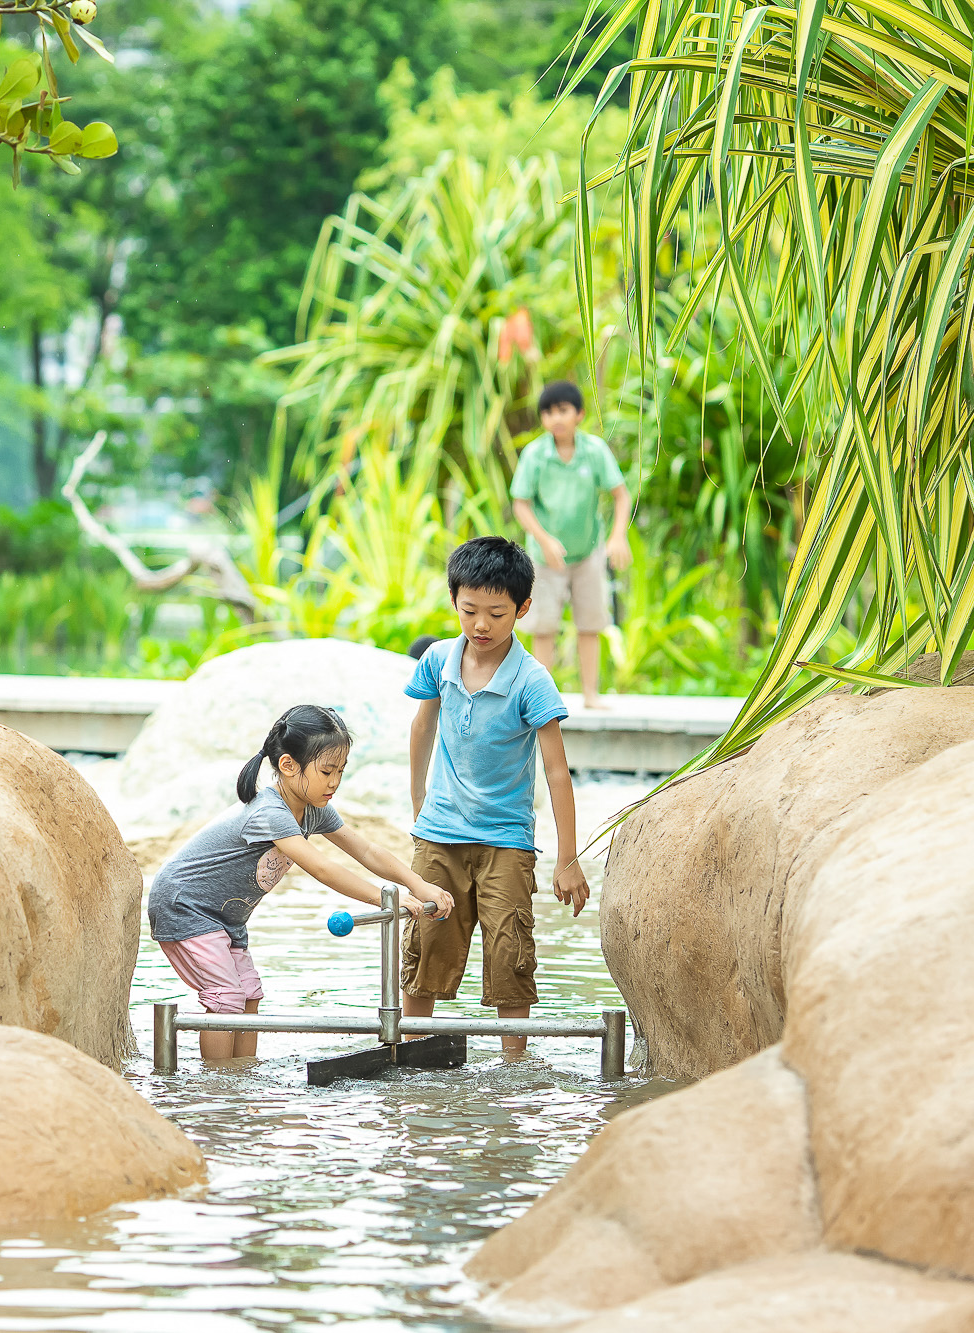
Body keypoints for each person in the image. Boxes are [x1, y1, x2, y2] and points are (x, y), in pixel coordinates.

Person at [148, 704, 451, 1061]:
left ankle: (243, 1078)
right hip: (185, 904)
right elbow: (322, 869)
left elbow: (365, 850)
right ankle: (219, 1092)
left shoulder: (313, 806)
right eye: (326, 771)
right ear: (289, 766)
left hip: (226, 917)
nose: (334, 782)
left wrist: (418, 885)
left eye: (340, 770)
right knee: (226, 996)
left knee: (249, 994)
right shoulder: (269, 812)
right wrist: (386, 900)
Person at [402, 536, 591, 1056]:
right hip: (438, 835)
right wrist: (419, 805)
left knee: (511, 953)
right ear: (454, 601)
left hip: (506, 840)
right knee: (426, 948)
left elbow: (557, 772)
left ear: (522, 609)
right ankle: (412, 1054)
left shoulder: (532, 681)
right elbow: (421, 728)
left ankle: (514, 1067)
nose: (481, 625)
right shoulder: (438, 660)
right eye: (469, 611)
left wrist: (567, 858)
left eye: (496, 613)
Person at [509, 380, 631, 709]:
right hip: (545, 556)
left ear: (579, 414)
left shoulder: (594, 451)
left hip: (588, 550)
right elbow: (520, 502)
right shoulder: (535, 454)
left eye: (563, 410)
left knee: (590, 624)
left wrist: (618, 535)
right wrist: (544, 540)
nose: (556, 418)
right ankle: (542, 699)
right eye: (548, 412)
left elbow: (620, 494)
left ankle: (591, 695)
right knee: (543, 626)